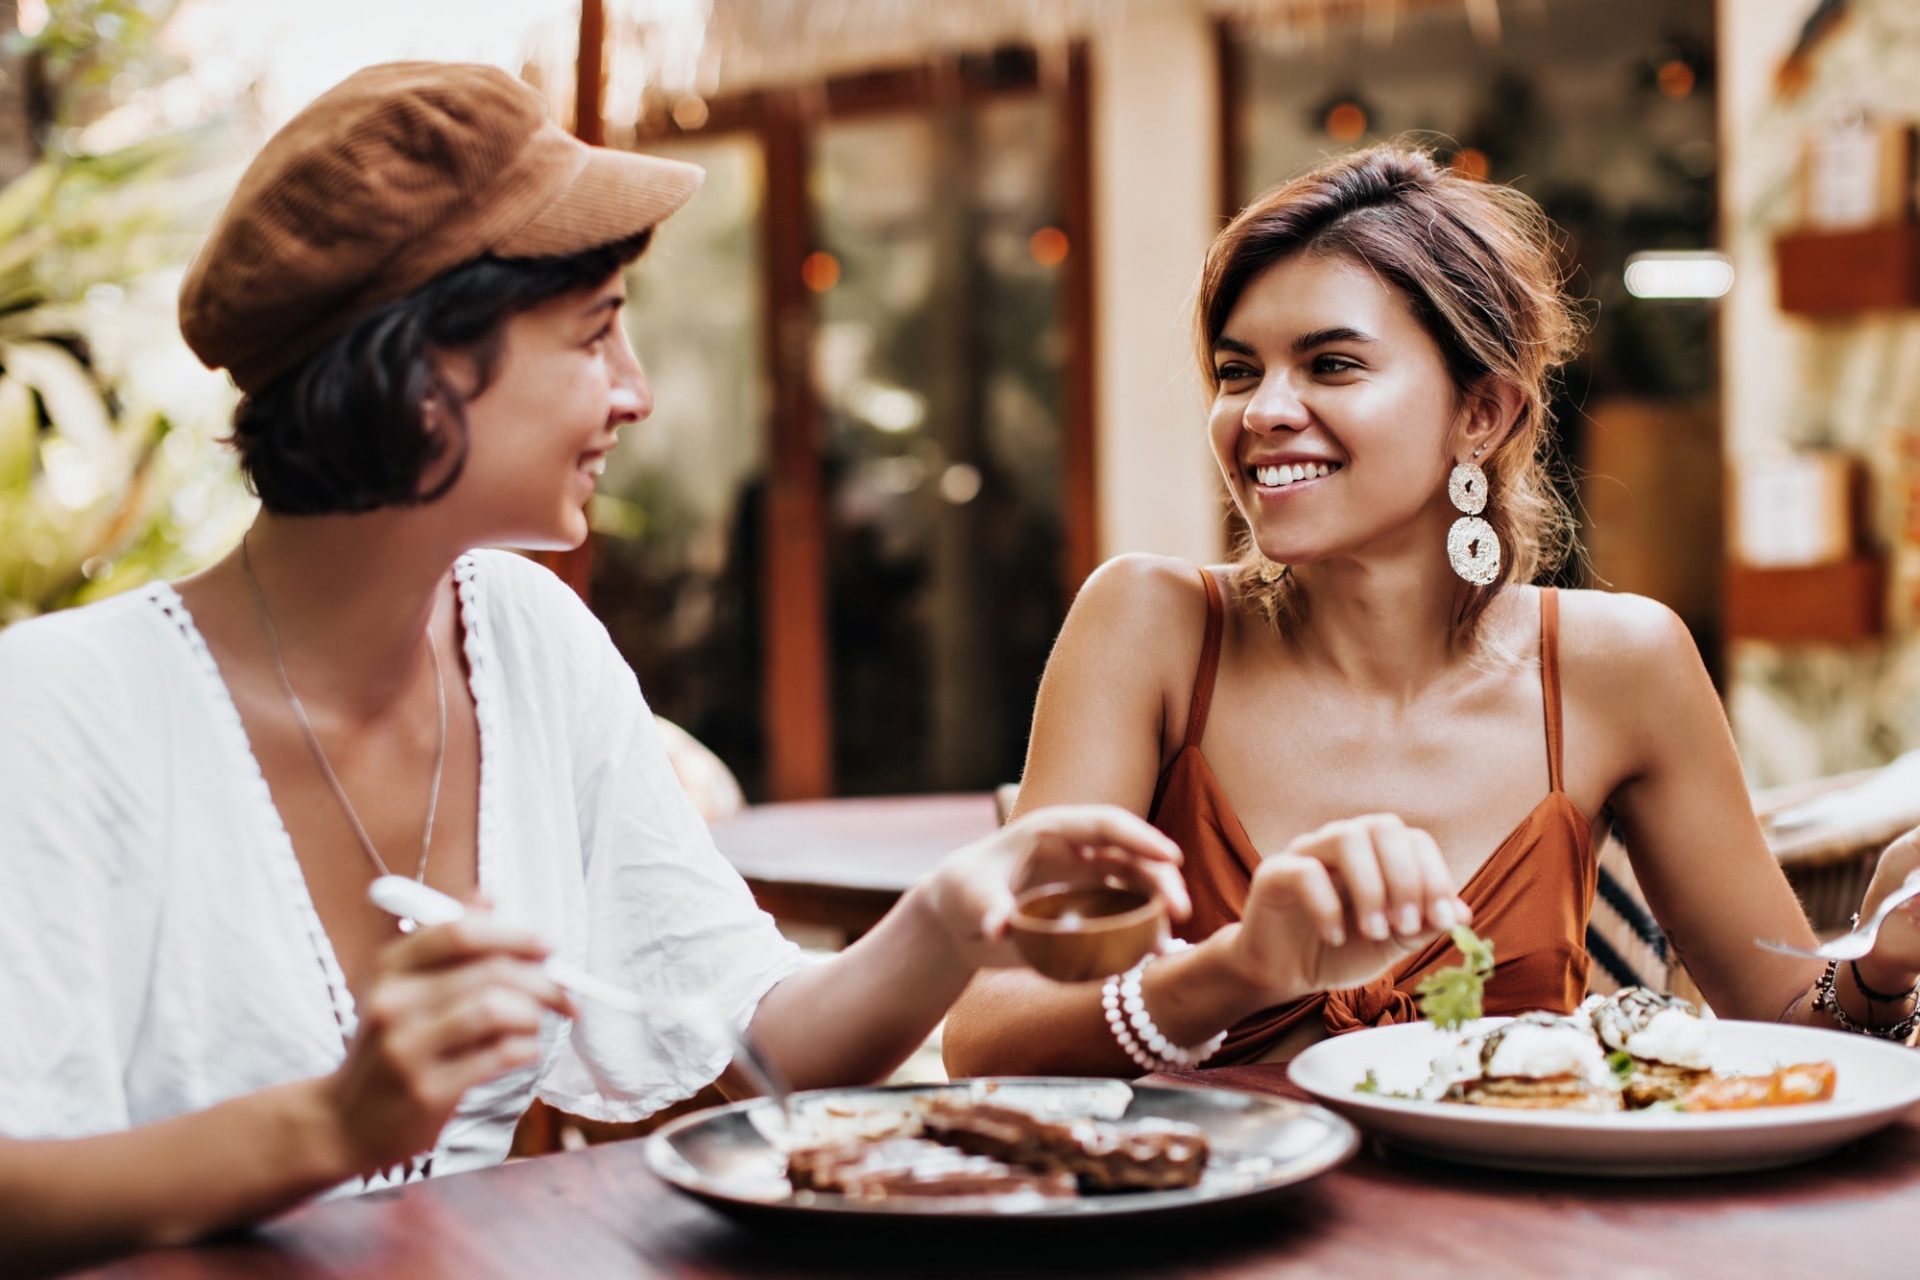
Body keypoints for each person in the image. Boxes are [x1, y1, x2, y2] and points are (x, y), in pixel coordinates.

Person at [0, 62, 1211, 1274]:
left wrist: (953, 915)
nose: (634, 390)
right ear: (425, 378)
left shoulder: (527, 643)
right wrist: (331, 1122)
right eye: (595, 332)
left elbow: (751, 1043)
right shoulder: (60, 713)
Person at [942, 144, 1920, 1079]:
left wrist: (1878, 965)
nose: (1264, 409)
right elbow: (988, 1034)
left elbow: (1792, 1022)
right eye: (1239, 371)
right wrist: (1239, 967)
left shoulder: (1619, 663)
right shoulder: (1149, 626)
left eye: (1331, 365)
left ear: (1480, 413)